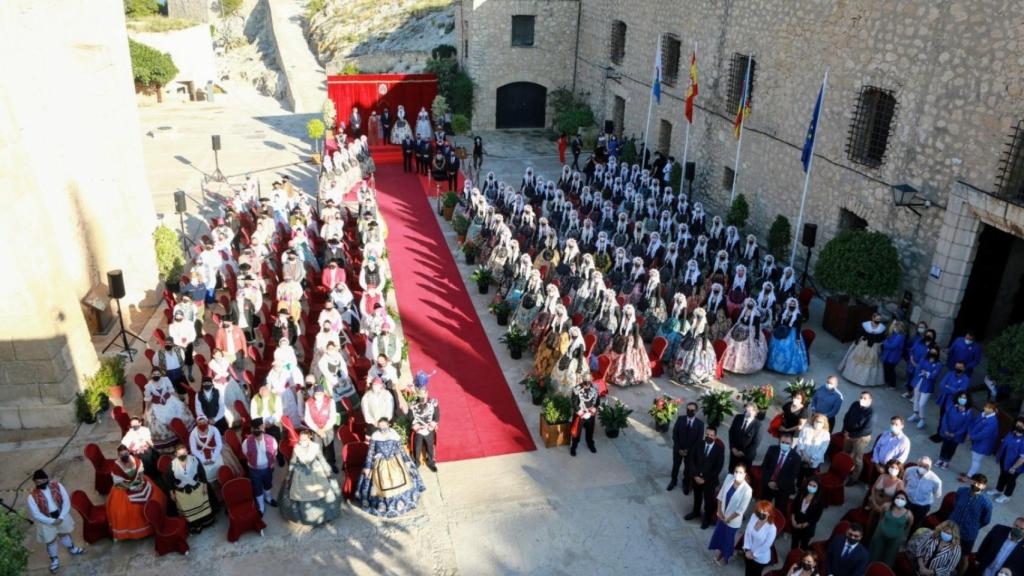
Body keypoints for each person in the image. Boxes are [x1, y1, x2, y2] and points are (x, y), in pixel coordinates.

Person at [356, 417, 426, 517]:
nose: (382, 427)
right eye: (380, 425)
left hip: (395, 460)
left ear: (388, 424)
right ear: (377, 426)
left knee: (401, 475)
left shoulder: (394, 434)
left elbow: (401, 449)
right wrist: (368, 467)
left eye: (384, 424)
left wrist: (406, 461)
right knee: (381, 480)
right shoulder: (375, 436)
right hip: (380, 462)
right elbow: (370, 453)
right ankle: (383, 505)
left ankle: (403, 503)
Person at [279, 428, 342, 526]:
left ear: (309, 438)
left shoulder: (315, 447)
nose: (302, 442)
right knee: (298, 492)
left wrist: (327, 470)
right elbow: (293, 461)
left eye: (304, 440)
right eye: (300, 440)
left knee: (322, 490)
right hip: (300, 472)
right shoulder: (297, 448)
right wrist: (289, 474)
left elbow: (321, 459)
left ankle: (324, 515)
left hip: (315, 470)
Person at [26, 469, 84, 574]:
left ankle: (72, 548)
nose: (39, 484)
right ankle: (55, 560)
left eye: (42, 481)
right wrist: (51, 521)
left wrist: (61, 517)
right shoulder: (32, 496)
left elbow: (66, 500)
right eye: (37, 482)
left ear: (46, 479)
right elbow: (36, 514)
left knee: (64, 534)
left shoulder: (57, 486)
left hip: (61, 515)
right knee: (50, 541)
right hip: (46, 521)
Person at [107, 444, 167, 541]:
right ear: (118, 456)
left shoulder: (135, 460)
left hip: (139, 482)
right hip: (124, 487)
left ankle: (155, 520)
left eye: (126, 453)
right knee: (126, 511)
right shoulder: (116, 467)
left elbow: (141, 473)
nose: (124, 456)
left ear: (128, 452)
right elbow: (118, 482)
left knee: (152, 495)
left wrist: (140, 481)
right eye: (122, 455)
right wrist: (130, 486)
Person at [164, 443, 216, 534]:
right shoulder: (172, 465)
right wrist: (171, 493)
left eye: (184, 453)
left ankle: (206, 523)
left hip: (197, 489)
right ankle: (196, 527)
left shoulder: (194, 460)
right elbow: (169, 480)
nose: (182, 456)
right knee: (189, 514)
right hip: (183, 493)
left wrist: (204, 485)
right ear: (176, 454)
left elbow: (202, 473)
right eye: (180, 454)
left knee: (202, 507)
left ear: (187, 452)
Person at [709, 464, 753, 566]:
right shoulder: (729, 478)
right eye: (736, 472)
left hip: (733, 520)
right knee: (720, 535)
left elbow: (740, 510)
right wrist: (719, 511)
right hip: (722, 516)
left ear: (745, 474)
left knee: (728, 539)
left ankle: (725, 557)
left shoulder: (747, 490)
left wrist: (728, 519)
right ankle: (720, 553)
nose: (737, 474)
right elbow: (721, 494)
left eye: (740, 472)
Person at [685, 426, 725, 529]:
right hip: (696, 478)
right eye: (707, 434)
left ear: (715, 437)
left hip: (709, 481)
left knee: (708, 501)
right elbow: (692, 460)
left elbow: (718, 468)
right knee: (697, 497)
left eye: (711, 435)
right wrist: (695, 475)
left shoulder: (719, 450)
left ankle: (707, 518)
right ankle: (696, 512)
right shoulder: (698, 444)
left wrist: (705, 479)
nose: (709, 436)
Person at [838, 313, 887, 387]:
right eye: (877, 319)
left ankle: (864, 380)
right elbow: (859, 333)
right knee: (856, 360)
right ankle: (852, 377)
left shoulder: (882, 328)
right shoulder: (865, 325)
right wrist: (860, 339)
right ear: (873, 318)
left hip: (874, 347)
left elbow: (882, 338)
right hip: (863, 345)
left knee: (870, 364)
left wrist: (876, 339)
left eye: (879, 319)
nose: (878, 320)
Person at [948, 473, 993, 553]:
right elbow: (955, 505)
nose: (975, 485)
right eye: (974, 482)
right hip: (951, 528)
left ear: (984, 486)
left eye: (979, 483)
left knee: (963, 556)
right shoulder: (961, 491)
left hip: (967, 534)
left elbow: (986, 520)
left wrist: (973, 526)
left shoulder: (986, 503)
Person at [243, 418, 279, 515]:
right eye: (255, 429)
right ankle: (261, 506)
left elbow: (274, 452)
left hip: (267, 468)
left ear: (262, 428)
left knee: (268, 484)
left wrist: (272, 462)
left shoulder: (271, 440)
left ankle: (269, 498)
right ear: (252, 430)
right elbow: (245, 453)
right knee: (257, 487)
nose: (257, 431)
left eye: (258, 428)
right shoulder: (246, 442)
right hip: (254, 470)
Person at [722, 298, 768, 374]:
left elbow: (757, 327)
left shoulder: (756, 314)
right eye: (749, 303)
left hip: (750, 332)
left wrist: (756, 337)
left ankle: (740, 366)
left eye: (752, 303)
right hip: (739, 329)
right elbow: (739, 320)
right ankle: (729, 364)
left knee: (743, 349)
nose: (750, 305)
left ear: (754, 305)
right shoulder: (744, 311)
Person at [868, 490, 914, 565]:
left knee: (889, 557)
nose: (900, 500)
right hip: (880, 535)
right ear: (894, 498)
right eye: (898, 497)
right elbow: (881, 516)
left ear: (906, 501)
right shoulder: (886, 506)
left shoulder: (909, 514)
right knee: (875, 553)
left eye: (902, 499)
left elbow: (908, 526)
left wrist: (903, 538)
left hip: (895, 540)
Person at [668, 402, 704, 493]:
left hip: (690, 452)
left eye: (692, 410)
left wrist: (688, 450)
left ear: (696, 411)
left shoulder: (700, 424)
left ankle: (685, 483)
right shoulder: (680, 419)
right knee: (676, 466)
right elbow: (675, 434)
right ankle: (673, 481)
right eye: (688, 409)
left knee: (688, 469)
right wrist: (679, 448)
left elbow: (698, 441)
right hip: (678, 449)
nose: (689, 411)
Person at [765, 297, 808, 374]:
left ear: (796, 305)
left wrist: (797, 339)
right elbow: (779, 322)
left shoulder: (798, 315)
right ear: (788, 304)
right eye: (791, 304)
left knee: (788, 351)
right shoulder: (784, 312)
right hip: (781, 331)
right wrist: (774, 328)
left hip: (792, 333)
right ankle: (774, 366)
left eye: (794, 304)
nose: (792, 305)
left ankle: (786, 368)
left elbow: (798, 328)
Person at [760, 432, 801, 511]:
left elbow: (792, 476)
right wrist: (769, 482)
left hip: (783, 488)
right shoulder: (772, 449)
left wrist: (777, 484)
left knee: (779, 510)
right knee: (763, 506)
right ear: (779, 442)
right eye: (783, 442)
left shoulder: (796, 458)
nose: (785, 444)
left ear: (791, 444)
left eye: (787, 443)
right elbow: (764, 466)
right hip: (768, 484)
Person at [842, 391, 875, 484]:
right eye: (861, 397)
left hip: (861, 438)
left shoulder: (871, 413)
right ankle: (843, 470)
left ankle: (854, 478)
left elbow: (866, 430)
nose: (862, 400)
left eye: (865, 398)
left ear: (870, 400)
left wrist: (850, 435)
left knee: (857, 459)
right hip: (849, 433)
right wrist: (845, 430)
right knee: (845, 453)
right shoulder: (855, 404)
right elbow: (847, 416)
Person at [303, 385, 339, 474]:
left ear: (323, 393)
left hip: (327, 428)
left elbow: (332, 418)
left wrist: (324, 429)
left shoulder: (330, 401)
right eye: (316, 393)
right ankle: (321, 465)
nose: (318, 395)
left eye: (320, 393)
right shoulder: (308, 403)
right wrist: (317, 429)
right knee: (317, 448)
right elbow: (307, 418)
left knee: (329, 447)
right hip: (315, 430)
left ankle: (331, 464)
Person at [904, 456, 943, 531]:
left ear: (930, 467)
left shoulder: (936, 481)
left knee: (915, 525)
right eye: (920, 465)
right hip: (907, 501)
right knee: (903, 521)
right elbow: (904, 481)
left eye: (926, 466)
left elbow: (937, 494)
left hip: (922, 506)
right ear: (917, 465)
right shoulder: (909, 471)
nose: (923, 468)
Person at [937, 391, 974, 469]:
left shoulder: (968, 411)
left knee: (952, 448)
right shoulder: (951, 406)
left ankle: (947, 461)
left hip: (957, 435)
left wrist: (956, 434)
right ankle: (941, 459)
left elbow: (966, 425)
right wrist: (945, 429)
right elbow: (945, 418)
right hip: (946, 431)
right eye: (961, 397)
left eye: (964, 398)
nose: (962, 399)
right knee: (944, 446)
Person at [908, 347, 943, 430]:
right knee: (916, 399)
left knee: (922, 403)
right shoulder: (924, 359)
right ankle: (915, 413)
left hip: (928, 386)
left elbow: (934, 375)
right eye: (931, 352)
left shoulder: (938, 364)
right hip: (918, 381)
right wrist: (927, 373)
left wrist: (926, 373)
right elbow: (918, 368)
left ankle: (922, 418)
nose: (932, 354)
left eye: (934, 352)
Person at [991, 418, 1024, 503]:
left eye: (1021, 426)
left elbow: (1022, 457)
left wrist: (1014, 467)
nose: (1018, 427)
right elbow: (1005, 442)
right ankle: (998, 489)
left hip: (1016, 465)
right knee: (1002, 475)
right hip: (1005, 460)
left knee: (1011, 480)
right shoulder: (1011, 433)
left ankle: (1006, 495)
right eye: (1017, 424)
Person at [741, 500, 778, 576]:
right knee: (747, 573)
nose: (761, 514)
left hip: (760, 557)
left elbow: (766, 545)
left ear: (769, 513)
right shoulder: (754, 516)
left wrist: (754, 554)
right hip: (748, 552)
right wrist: (747, 549)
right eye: (759, 511)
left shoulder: (772, 528)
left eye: (764, 512)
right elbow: (747, 532)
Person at [966, 402, 1001, 478]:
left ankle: (969, 475)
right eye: (986, 406)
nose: (986, 408)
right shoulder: (983, 414)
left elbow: (984, 434)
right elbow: (974, 423)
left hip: (983, 444)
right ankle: (970, 473)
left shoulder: (993, 421)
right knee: (974, 459)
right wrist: (970, 433)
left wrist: (971, 437)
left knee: (976, 460)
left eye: (989, 407)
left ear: (993, 410)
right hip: (978, 441)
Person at [789, 478, 824, 552]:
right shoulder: (801, 493)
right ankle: (792, 556)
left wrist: (802, 525)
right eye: (810, 485)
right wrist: (793, 520)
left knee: (803, 546)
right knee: (794, 543)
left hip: (807, 527)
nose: (811, 487)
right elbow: (794, 507)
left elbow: (815, 517)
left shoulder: (819, 501)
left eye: (814, 486)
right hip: (796, 521)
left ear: (818, 488)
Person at [569, 377, 601, 457]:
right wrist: (582, 413)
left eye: (588, 383)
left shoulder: (595, 388)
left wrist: (594, 409)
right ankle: (574, 447)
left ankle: (590, 443)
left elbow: (597, 401)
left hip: (590, 414)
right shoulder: (576, 389)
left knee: (590, 431)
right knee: (576, 432)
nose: (587, 385)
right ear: (582, 382)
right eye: (585, 383)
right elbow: (574, 404)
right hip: (580, 415)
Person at [121, 416, 159, 482]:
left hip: (147, 448)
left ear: (140, 423)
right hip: (137, 452)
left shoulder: (145, 430)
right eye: (132, 425)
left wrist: (150, 446)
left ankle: (154, 473)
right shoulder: (129, 433)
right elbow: (125, 445)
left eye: (135, 424)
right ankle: (150, 476)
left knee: (149, 454)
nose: (134, 426)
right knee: (145, 458)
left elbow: (149, 440)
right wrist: (133, 448)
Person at [410, 388, 440, 471]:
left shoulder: (433, 403)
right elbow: (410, 417)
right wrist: (415, 425)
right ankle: (416, 462)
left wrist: (433, 424)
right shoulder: (413, 405)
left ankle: (431, 462)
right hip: (418, 430)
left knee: (430, 447)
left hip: (429, 429)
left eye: (424, 395)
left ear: (427, 393)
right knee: (417, 447)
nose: (422, 398)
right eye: (420, 396)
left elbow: (437, 415)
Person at [795, 414, 831, 481]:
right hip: (802, 456)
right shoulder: (806, 428)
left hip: (813, 461)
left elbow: (822, 450)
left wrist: (811, 459)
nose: (818, 423)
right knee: (798, 474)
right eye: (816, 421)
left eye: (820, 422)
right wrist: (804, 455)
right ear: (813, 420)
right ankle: (798, 485)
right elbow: (800, 441)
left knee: (809, 477)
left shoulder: (826, 435)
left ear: (824, 424)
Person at [728, 403, 762, 471]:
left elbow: (756, 443)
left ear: (755, 412)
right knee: (731, 470)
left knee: (742, 473)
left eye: (750, 411)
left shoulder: (758, 425)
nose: (747, 413)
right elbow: (731, 432)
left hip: (746, 456)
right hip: (734, 452)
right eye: (746, 410)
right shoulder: (738, 417)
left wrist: (743, 452)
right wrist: (732, 447)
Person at [880, 320, 906, 387]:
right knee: (887, 368)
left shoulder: (900, 336)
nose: (894, 328)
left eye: (895, 327)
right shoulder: (895, 334)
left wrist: (885, 343)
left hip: (893, 356)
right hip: (889, 355)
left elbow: (893, 345)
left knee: (890, 370)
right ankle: (887, 381)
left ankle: (892, 385)